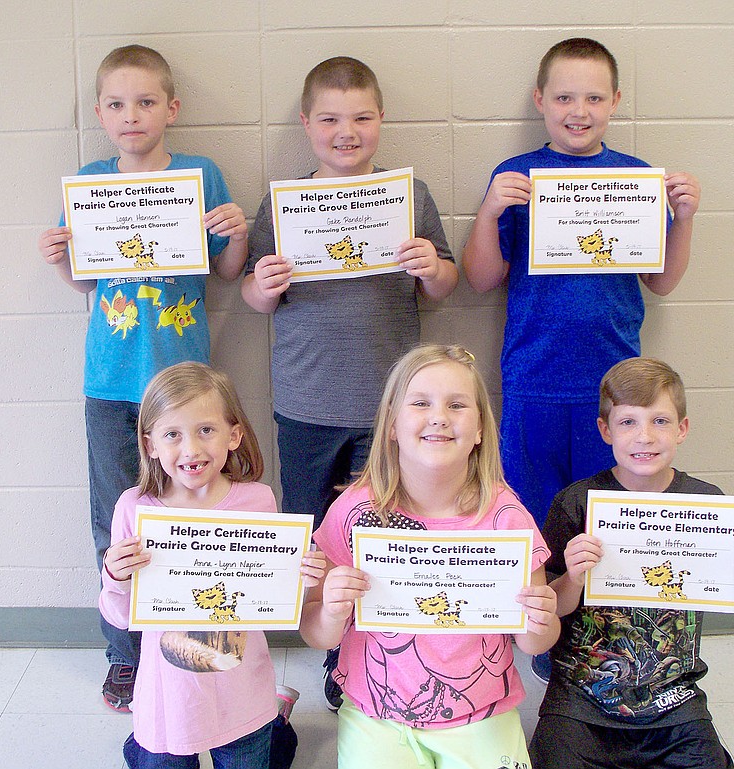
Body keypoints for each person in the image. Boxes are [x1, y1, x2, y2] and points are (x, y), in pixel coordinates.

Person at [242, 55, 458, 709]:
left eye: (362, 116)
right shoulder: (283, 202)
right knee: (316, 535)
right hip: (305, 404)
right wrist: (264, 284)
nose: (347, 130)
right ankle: (331, 644)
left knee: (382, 535)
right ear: (307, 123)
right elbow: (251, 295)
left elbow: (446, 286)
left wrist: (430, 268)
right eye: (331, 118)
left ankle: (366, 657)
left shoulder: (409, 196)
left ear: (381, 120)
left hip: (391, 410)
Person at [37, 44, 249, 710]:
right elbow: (85, 281)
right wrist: (58, 258)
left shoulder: (199, 172)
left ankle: (206, 640)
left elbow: (225, 268)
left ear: (171, 108)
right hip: (109, 384)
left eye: (147, 101)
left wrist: (236, 231)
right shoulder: (90, 180)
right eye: (117, 104)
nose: (132, 115)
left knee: (201, 517)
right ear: (101, 113)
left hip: (185, 391)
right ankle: (124, 656)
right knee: (116, 525)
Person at [462, 38, 702, 532]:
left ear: (615, 101)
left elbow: (661, 282)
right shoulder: (515, 176)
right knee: (533, 520)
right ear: (540, 100)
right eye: (564, 98)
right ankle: (544, 609)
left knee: (609, 524)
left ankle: (597, 613)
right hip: (534, 379)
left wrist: (685, 218)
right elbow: (482, 279)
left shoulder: (637, 178)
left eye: (594, 98)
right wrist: (489, 212)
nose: (579, 111)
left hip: (617, 389)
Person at [300, 344, 560, 769]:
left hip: (481, 710)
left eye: (457, 405)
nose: (439, 416)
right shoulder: (353, 510)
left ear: (479, 429)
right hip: (375, 712)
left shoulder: (505, 515)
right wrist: (330, 610)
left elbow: (535, 643)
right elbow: (316, 635)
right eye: (420, 403)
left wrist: (542, 620)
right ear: (392, 426)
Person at [528, 357, 734, 769]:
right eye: (628, 422)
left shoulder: (708, 504)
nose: (645, 437)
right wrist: (574, 577)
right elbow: (551, 607)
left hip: (675, 700)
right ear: (605, 430)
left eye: (659, 421)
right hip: (580, 699)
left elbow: (714, 587)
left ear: (682, 429)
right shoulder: (575, 502)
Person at [99, 362, 325, 768]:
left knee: (254, 755)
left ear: (233, 435)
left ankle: (276, 721)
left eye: (206, 430)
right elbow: (118, 615)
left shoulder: (257, 500)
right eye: (172, 434)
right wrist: (116, 576)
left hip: (241, 687)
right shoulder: (135, 508)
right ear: (150, 444)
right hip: (168, 691)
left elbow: (274, 599)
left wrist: (303, 575)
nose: (191, 449)